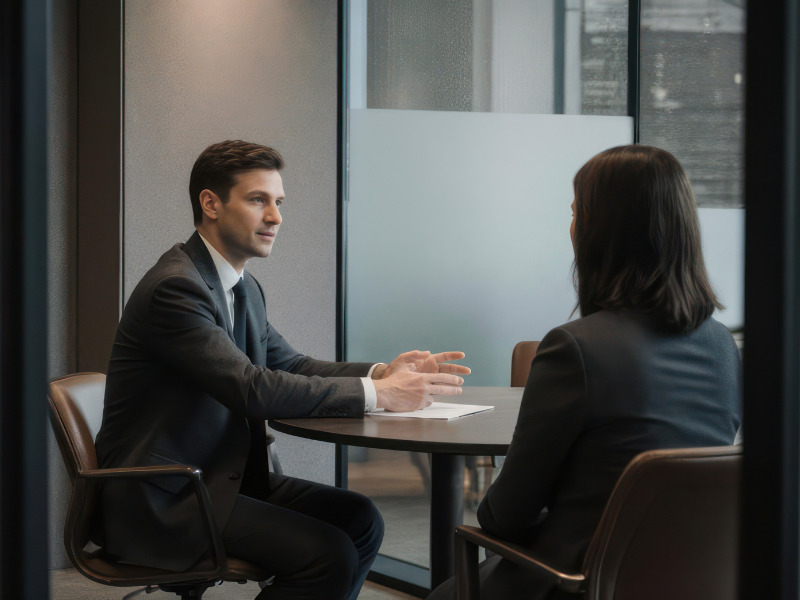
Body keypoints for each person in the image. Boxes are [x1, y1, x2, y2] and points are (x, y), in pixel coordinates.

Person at [94, 140, 470, 600]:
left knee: (361, 520)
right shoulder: (177, 289)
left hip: (215, 479)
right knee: (326, 553)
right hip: (165, 496)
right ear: (210, 203)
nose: (275, 217)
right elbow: (252, 389)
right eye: (259, 200)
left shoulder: (241, 287)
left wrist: (380, 374)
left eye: (278, 202)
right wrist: (382, 396)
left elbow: (290, 365)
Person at [427, 145, 742, 600]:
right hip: (688, 579)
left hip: (577, 582)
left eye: (577, 213)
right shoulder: (720, 344)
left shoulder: (577, 348)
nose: (571, 228)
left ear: (602, 231)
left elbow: (503, 517)